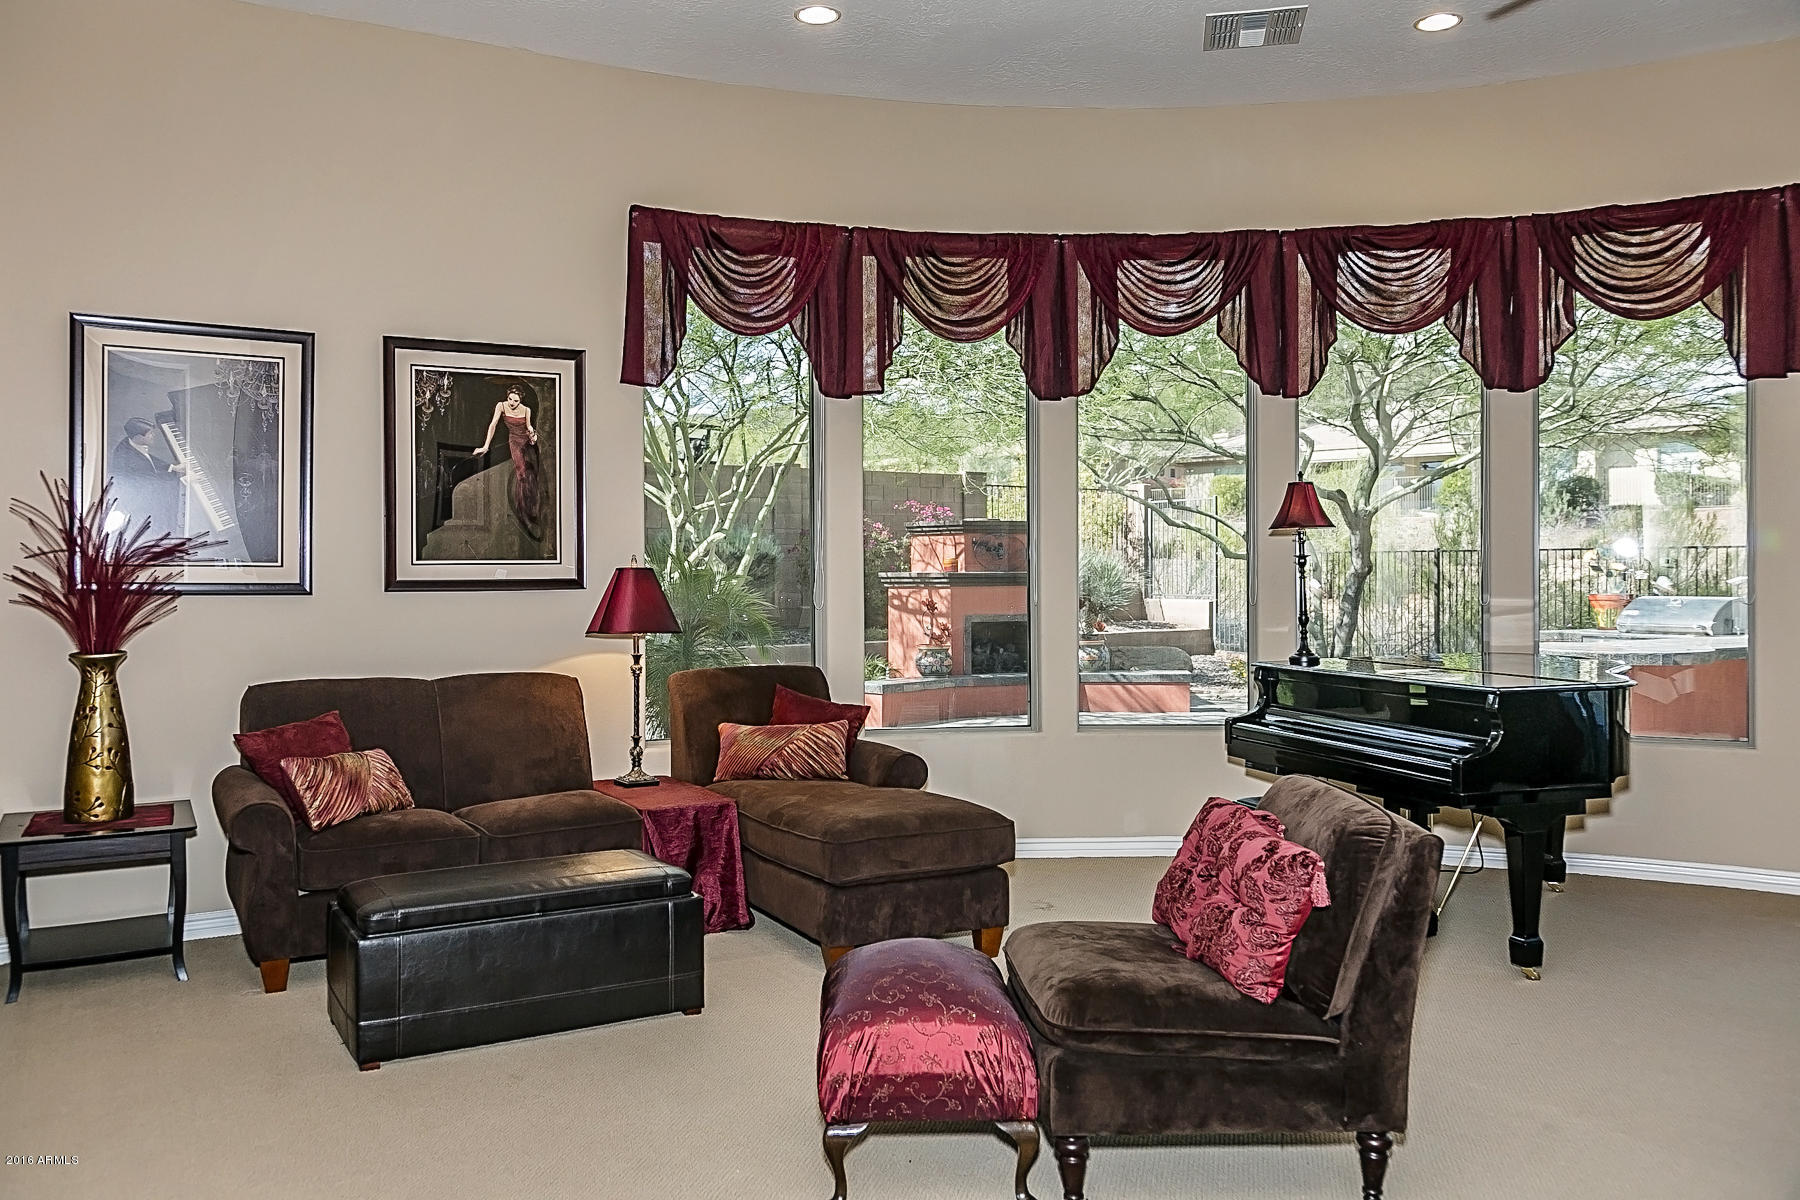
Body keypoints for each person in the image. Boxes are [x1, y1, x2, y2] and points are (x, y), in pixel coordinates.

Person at [473, 383, 544, 540]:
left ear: (520, 400)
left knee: (532, 474)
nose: (512, 403)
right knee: (522, 473)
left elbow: (530, 429)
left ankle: (532, 510)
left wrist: (533, 437)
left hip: (527, 443)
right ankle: (523, 511)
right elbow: (493, 425)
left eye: (515, 400)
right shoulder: (502, 406)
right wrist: (485, 446)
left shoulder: (526, 410)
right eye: (510, 399)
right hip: (515, 442)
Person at [111, 416, 185, 538]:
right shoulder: (131, 460)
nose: (153, 436)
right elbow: (152, 477)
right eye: (150, 434)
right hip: (138, 504)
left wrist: (173, 467)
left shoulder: (130, 442)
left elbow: (149, 459)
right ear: (138, 437)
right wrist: (179, 478)